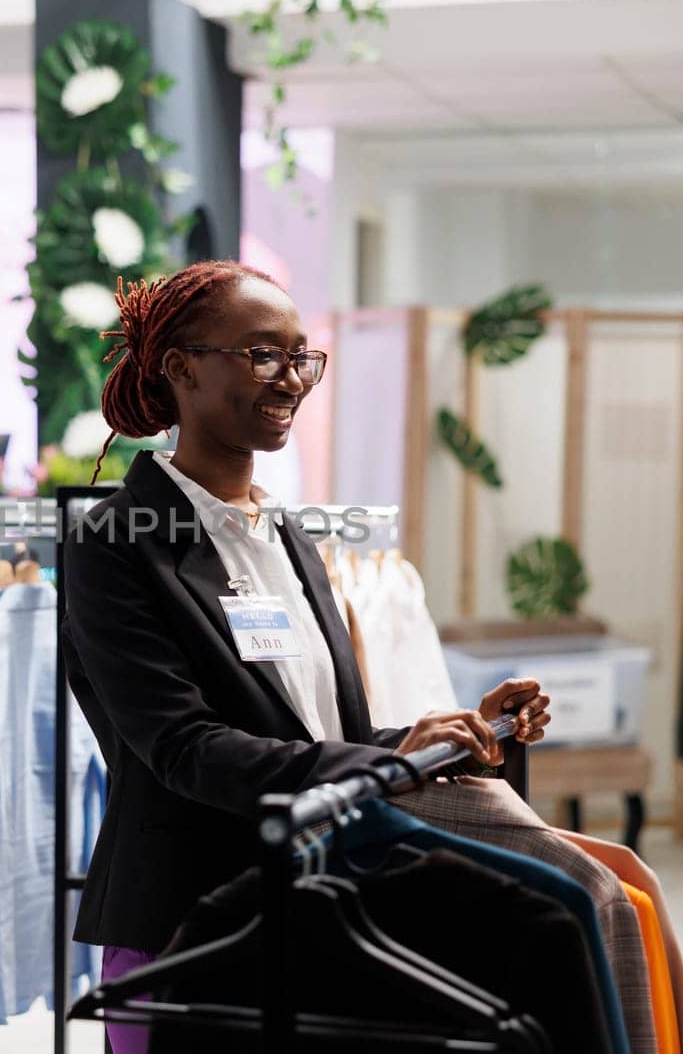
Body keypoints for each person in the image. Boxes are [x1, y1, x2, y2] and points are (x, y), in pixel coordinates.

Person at [60, 261, 552, 1054]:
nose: (291, 378)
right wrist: (390, 762)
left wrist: (423, 738)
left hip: (319, 899)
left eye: (301, 356)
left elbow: (313, 726)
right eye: (262, 355)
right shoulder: (111, 544)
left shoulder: (289, 535)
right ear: (182, 368)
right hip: (189, 920)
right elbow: (185, 748)